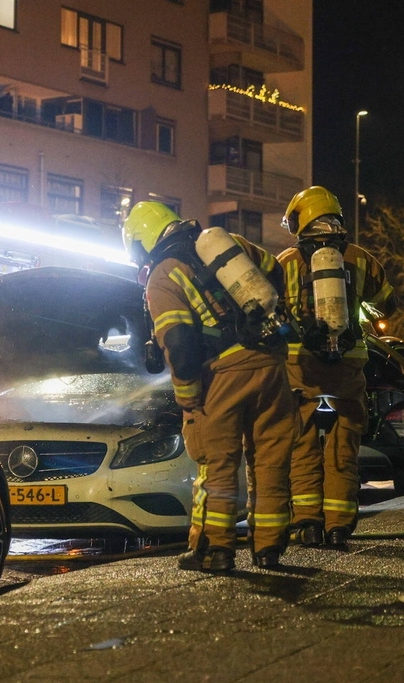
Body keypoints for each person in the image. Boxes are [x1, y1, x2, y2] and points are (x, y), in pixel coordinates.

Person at [122, 201, 299, 571]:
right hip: (270, 362)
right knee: (271, 459)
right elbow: (275, 274)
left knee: (216, 465)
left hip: (223, 374)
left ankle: (215, 549)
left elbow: (182, 348)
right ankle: (269, 548)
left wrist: (190, 401)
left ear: (143, 243)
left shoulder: (163, 276)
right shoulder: (227, 244)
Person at [276, 186, 397, 547]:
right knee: (344, 445)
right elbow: (388, 305)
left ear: (303, 218)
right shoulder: (360, 259)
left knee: (302, 445)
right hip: (348, 366)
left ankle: (308, 524)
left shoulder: (285, 261)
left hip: (302, 366)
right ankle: (339, 526)